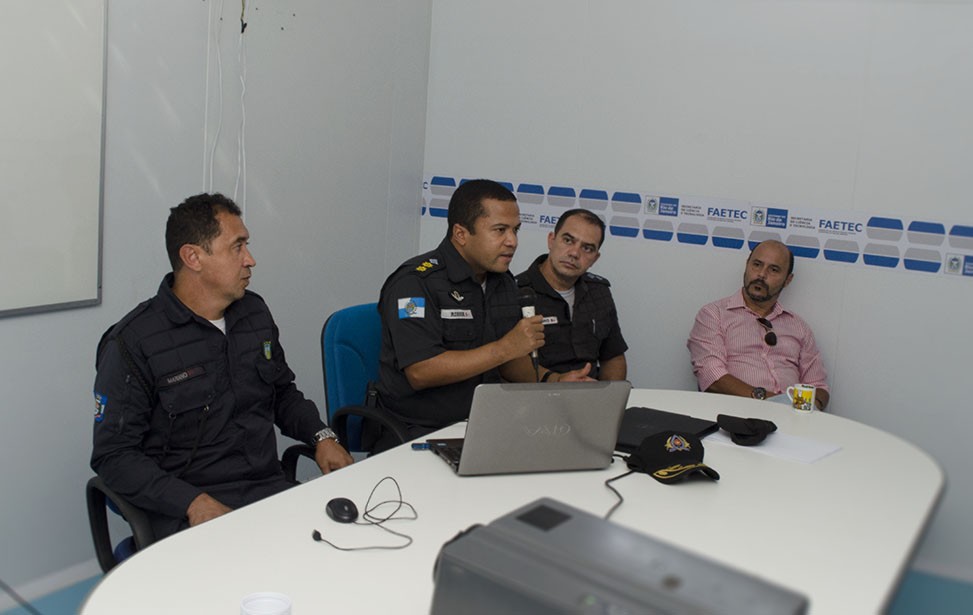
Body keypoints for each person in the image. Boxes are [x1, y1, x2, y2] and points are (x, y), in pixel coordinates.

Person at [91, 193, 352, 539]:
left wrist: (322, 437)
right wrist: (192, 502)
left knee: (347, 547)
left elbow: (282, 393)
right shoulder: (134, 341)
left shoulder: (254, 314)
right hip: (188, 511)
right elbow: (114, 456)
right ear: (193, 257)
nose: (250, 260)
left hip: (266, 491)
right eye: (237, 247)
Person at [374, 180, 591, 451]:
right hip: (419, 431)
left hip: (486, 425)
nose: (512, 241)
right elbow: (422, 371)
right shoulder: (415, 283)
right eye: (500, 230)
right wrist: (505, 348)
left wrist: (555, 380)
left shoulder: (502, 281)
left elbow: (509, 363)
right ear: (461, 234)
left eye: (515, 230)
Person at [687, 239, 830, 409]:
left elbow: (819, 387)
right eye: (756, 265)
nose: (761, 274)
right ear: (747, 265)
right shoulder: (714, 314)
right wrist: (775, 402)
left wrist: (803, 408)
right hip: (734, 415)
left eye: (773, 270)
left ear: (787, 280)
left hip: (791, 419)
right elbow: (712, 376)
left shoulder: (799, 327)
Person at [515, 209, 628, 380]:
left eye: (587, 248)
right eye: (568, 240)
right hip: (539, 391)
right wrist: (556, 382)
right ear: (551, 240)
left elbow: (613, 356)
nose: (574, 253)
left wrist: (609, 394)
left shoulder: (599, 291)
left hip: (590, 392)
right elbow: (508, 363)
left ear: (595, 258)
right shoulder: (517, 292)